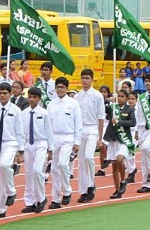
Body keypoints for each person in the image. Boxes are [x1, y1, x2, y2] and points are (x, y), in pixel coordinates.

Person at [0, 83, 25, 219]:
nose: (2, 95)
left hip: (11, 143)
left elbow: (20, 132)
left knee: (4, 165)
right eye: (0, 93)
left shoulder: (16, 110)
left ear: (10, 94)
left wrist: (21, 150)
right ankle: (0, 209)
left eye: (5, 93)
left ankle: (11, 190)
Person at [46, 78, 82, 209]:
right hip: (54, 138)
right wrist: (48, 143)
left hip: (68, 137)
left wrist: (77, 142)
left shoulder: (73, 103)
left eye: (62, 87)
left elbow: (78, 123)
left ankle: (67, 191)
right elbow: (47, 124)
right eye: (58, 87)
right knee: (54, 169)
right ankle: (56, 198)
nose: (60, 89)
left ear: (66, 88)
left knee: (63, 164)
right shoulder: (51, 104)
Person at [74, 69, 104, 204]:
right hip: (81, 130)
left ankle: (91, 184)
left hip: (92, 129)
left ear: (92, 79)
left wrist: (100, 137)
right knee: (81, 161)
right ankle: (83, 190)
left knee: (88, 157)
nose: (85, 80)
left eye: (87, 78)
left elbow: (101, 117)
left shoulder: (97, 96)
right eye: (83, 78)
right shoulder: (77, 97)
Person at [20, 87, 50, 212]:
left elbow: (49, 132)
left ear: (39, 99)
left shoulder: (44, 113)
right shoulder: (24, 113)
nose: (32, 99)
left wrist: (51, 148)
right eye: (30, 97)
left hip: (40, 144)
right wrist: (20, 149)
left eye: (34, 97)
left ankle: (41, 198)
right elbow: (21, 133)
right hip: (28, 145)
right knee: (29, 174)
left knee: (38, 171)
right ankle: (30, 202)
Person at [103, 87, 136, 198]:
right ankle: (117, 190)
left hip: (124, 140)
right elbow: (102, 107)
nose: (120, 98)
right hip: (113, 139)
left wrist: (119, 122)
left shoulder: (129, 109)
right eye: (119, 96)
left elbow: (132, 122)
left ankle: (123, 180)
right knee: (114, 166)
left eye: (122, 96)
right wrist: (108, 100)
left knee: (120, 159)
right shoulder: (113, 108)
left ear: (126, 98)